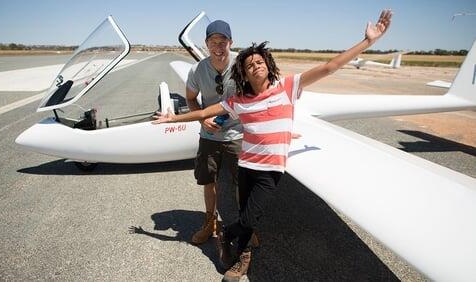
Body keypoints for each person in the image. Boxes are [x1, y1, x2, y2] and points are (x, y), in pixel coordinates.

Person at [155, 10, 392, 281]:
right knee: (233, 201)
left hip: (264, 166)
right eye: (250, 64)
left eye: (259, 62)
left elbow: (329, 67)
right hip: (246, 162)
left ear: (265, 62)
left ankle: (230, 233)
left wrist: (367, 42)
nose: (255, 66)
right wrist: (173, 118)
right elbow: (202, 111)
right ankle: (232, 244)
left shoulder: (287, 87)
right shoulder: (239, 100)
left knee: (248, 215)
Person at [185, 19, 243, 245]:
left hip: (236, 135)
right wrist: (202, 119)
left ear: (231, 42)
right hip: (209, 136)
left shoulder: (242, 65)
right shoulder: (197, 69)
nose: (218, 47)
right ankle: (210, 223)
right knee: (208, 182)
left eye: (223, 41)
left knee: (241, 183)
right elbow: (190, 99)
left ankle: (244, 227)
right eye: (213, 42)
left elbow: (261, 95)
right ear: (206, 43)